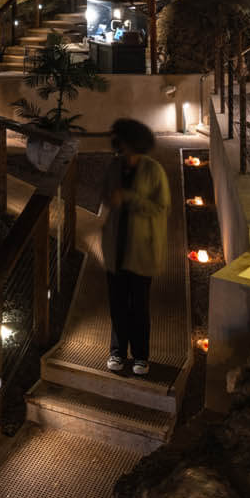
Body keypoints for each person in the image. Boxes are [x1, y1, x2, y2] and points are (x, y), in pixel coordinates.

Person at [100, 118, 168, 376]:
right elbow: (105, 198)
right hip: (115, 248)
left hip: (141, 251)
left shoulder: (153, 170)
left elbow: (160, 207)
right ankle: (117, 351)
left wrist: (129, 198)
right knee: (117, 305)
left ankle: (140, 355)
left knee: (139, 305)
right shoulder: (114, 167)